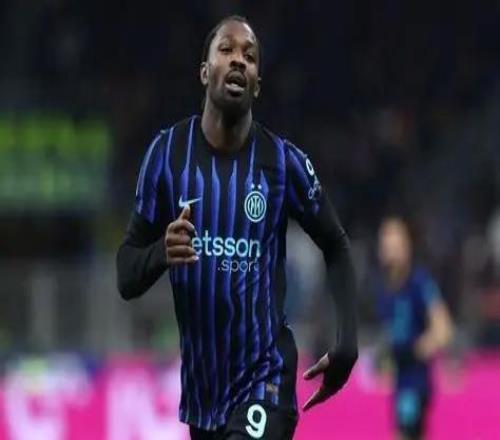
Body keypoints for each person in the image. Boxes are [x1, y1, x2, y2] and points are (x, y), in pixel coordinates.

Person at [116, 15, 358, 440]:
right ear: (205, 71)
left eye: (250, 56)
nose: (239, 60)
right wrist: (160, 253)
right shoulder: (167, 155)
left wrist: (347, 342)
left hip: (266, 379)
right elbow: (126, 275)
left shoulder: (282, 163)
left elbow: (335, 244)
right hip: (203, 397)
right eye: (226, 50)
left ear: (257, 84)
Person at [376, 217, 453, 440]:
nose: (390, 251)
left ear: (407, 247)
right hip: (401, 380)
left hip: (414, 382)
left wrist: (420, 348)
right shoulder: (385, 288)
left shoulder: (419, 282)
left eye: (395, 245)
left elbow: (444, 328)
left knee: (404, 433)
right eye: (386, 245)